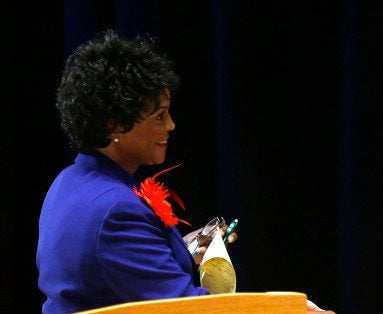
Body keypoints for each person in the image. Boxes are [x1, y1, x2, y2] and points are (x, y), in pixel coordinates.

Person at [36, 30, 326, 313]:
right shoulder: (116, 211)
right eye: (159, 116)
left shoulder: (69, 182)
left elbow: (113, 272)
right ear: (114, 124)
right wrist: (282, 308)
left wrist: (183, 249)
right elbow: (190, 308)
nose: (171, 125)